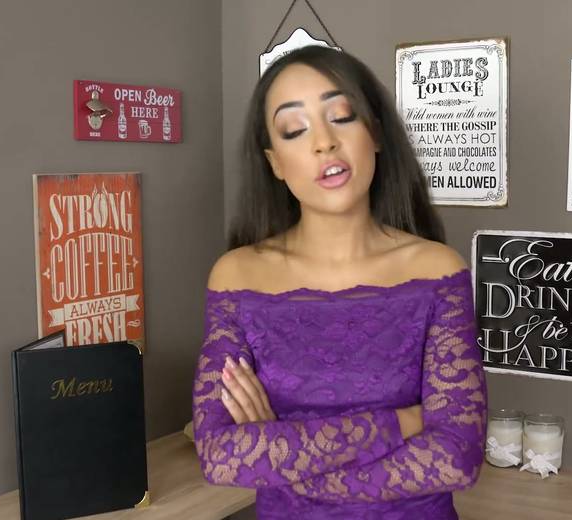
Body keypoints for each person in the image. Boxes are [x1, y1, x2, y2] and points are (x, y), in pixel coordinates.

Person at [191, 45, 487, 520]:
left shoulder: (436, 271)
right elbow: (220, 456)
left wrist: (279, 451)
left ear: (376, 134)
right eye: (295, 129)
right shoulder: (237, 277)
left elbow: (457, 458)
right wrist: (403, 422)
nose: (324, 143)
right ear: (275, 162)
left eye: (342, 116)